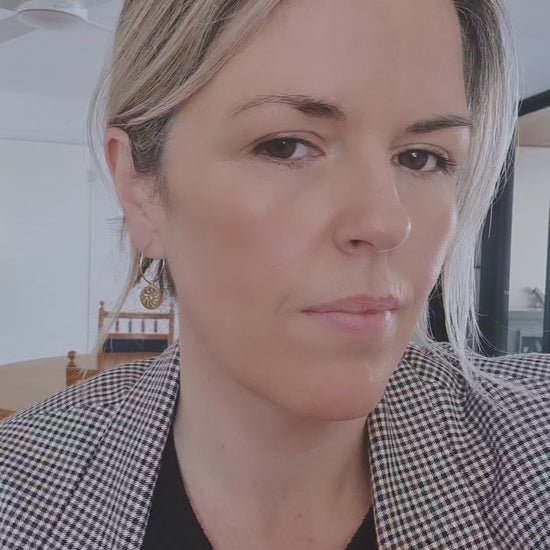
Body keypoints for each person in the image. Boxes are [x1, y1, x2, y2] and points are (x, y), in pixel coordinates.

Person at [0, 0, 548, 548]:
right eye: (286, 146)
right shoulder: (21, 492)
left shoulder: (530, 451)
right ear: (140, 190)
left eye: (421, 158)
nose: (386, 223)